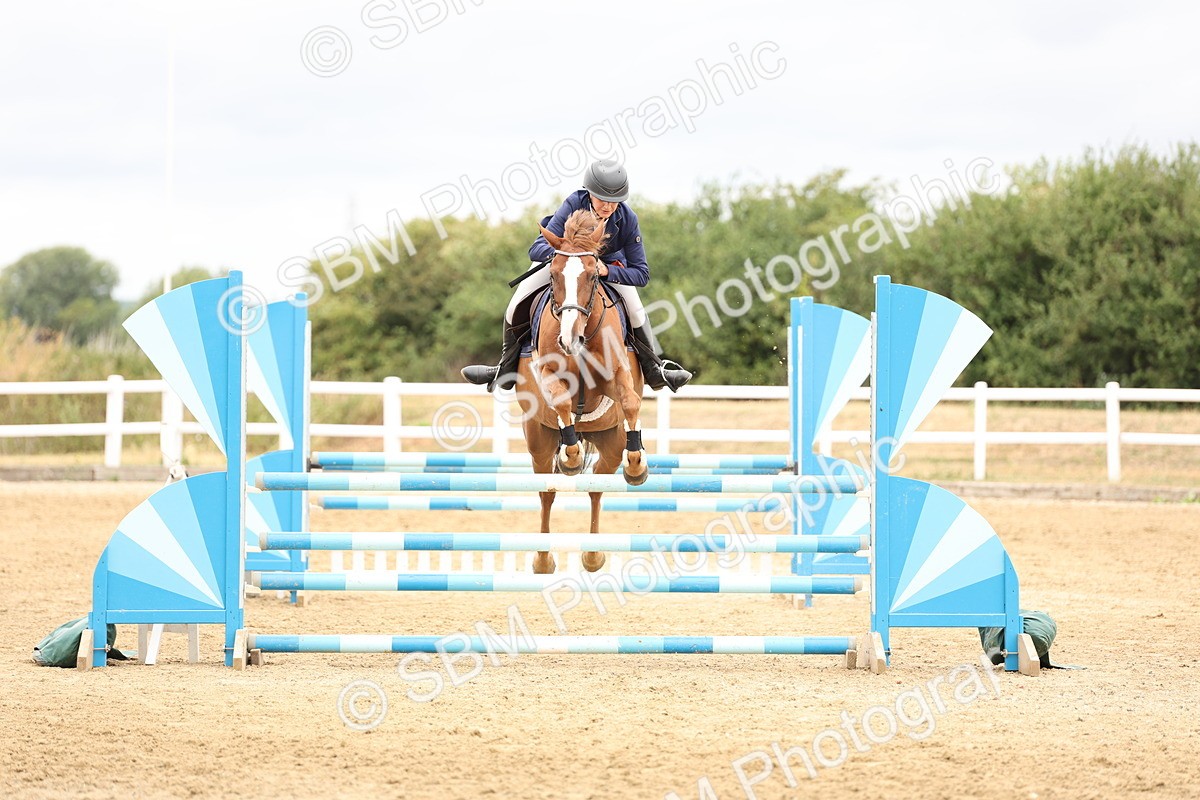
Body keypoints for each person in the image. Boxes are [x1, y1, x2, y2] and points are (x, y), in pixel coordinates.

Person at [461, 159, 693, 393]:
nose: (608, 207)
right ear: (590, 193)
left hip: (605, 268)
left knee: (635, 309)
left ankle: (654, 368)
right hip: (565, 266)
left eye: (614, 201)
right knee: (516, 303)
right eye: (603, 199)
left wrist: (607, 270)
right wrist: (568, 258)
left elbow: (641, 273)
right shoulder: (574, 203)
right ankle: (506, 368)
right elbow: (537, 248)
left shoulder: (628, 218)